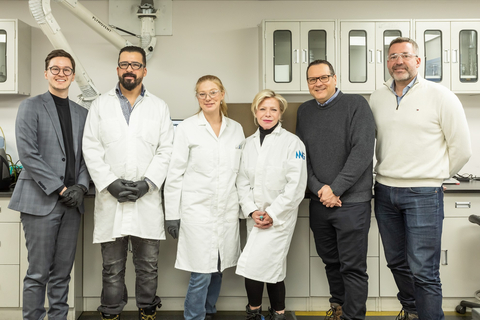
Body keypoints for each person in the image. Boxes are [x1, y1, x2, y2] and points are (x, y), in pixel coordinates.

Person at [370, 37, 472, 320]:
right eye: (392, 56)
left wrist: (434, 175)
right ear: (387, 62)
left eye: (405, 55)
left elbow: (462, 149)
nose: (398, 61)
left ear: (418, 60)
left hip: (424, 194)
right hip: (385, 191)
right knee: (396, 262)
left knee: (424, 270)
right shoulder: (377, 97)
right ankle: (414, 311)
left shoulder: (441, 96)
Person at [82, 46, 174, 320]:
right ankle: (110, 312)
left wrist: (148, 183)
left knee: (148, 264)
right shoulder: (100, 105)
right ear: (118, 69)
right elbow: (91, 147)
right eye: (124, 64)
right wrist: (110, 183)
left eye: (135, 65)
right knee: (112, 266)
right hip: (111, 198)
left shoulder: (158, 107)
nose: (129, 69)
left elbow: (166, 150)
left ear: (144, 70)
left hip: (146, 197)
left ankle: (147, 308)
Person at [8, 49, 89, 320]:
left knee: (62, 274)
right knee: (38, 273)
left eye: (66, 69)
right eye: (55, 69)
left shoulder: (82, 113)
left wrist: (81, 187)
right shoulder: (31, 106)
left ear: (73, 76)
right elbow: (29, 154)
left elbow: (86, 157)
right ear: (46, 73)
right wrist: (61, 188)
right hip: (40, 201)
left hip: (72, 205)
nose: (61, 73)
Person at [296, 60, 375, 320]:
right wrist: (320, 189)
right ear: (307, 84)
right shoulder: (304, 111)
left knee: (352, 267)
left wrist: (336, 189)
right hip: (320, 202)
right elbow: (301, 157)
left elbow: (362, 152)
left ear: (335, 78)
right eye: (312, 80)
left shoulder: (357, 105)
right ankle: (339, 308)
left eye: (323, 77)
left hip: (352, 202)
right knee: (331, 262)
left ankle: (354, 317)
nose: (318, 83)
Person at [164, 75, 245, 320]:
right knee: (201, 272)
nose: (208, 98)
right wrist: (172, 215)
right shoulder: (187, 128)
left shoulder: (236, 128)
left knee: (219, 268)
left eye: (213, 92)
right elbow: (174, 173)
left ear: (222, 94)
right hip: (196, 212)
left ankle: (209, 310)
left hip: (226, 210)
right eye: (202, 94)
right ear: (197, 98)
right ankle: (194, 316)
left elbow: (241, 172)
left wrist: (246, 208)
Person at [236, 89, 307, 320]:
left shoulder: (293, 143)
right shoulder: (246, 144)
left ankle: (276, 314)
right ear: (255, 112)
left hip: (279, 219)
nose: (267, 114)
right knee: (253, 265)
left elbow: (295, 186)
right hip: (255, 216)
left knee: (271, 267)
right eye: (262, 109)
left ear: (280, 113)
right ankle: (257, 312)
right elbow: (242, 181)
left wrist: (272, 213)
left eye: (273, 109)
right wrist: (252, 210)